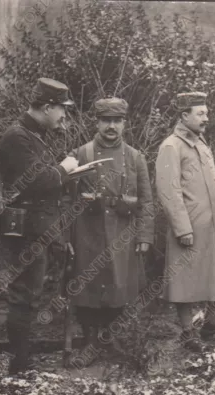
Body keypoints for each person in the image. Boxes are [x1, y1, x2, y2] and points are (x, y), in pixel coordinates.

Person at [0, 78, 79, 374]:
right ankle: (19, 364)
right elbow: (35, 182)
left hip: (37, 226)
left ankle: (23, 358)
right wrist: (65, 170)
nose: (64, 118)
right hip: (25, 228)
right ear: (47, 107)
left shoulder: (33, 135)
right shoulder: (17, 137)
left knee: (30, 294)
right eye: (62, 111)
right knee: (23, 294)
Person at [67, 98, 154, 365]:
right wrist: (66, 238)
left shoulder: (135, 157)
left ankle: (111, 341)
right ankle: (90, 345)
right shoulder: (81, 154)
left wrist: (145, 236)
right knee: (88, 290)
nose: (111, 126)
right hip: (87, 235)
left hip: (122, 235)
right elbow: (67, 199)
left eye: (117, 121)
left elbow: (146, 200)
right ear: (97, 122)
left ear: (125, 123)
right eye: (106, 120)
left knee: (119, 289)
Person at [155, 91, 215, 352]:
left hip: (214, 227)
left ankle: (210, 327)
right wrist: (182, 228)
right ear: (184, 116)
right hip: (190, 228)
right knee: (185, 282)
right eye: (200, 113)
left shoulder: (201, 143)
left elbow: (214, 190)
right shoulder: (171, 146)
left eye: (207, 112)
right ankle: (188, 333)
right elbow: (168, 191)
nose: (207, 118)